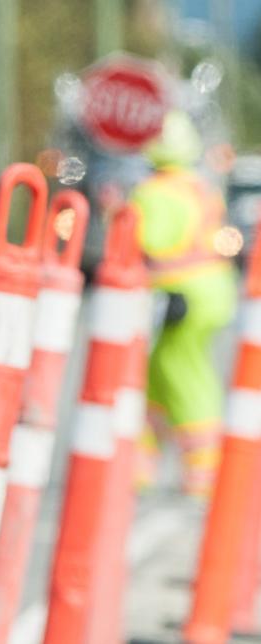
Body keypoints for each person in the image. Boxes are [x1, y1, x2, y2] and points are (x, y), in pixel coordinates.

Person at [130, 109, 238, 497]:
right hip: (213, 292)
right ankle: (141, 462)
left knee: (180, 373)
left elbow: (150, 244)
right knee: (160, 372)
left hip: (179, 295)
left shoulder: (152, 193)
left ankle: (204, 471)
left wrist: (121, 219)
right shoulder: (199, 185)